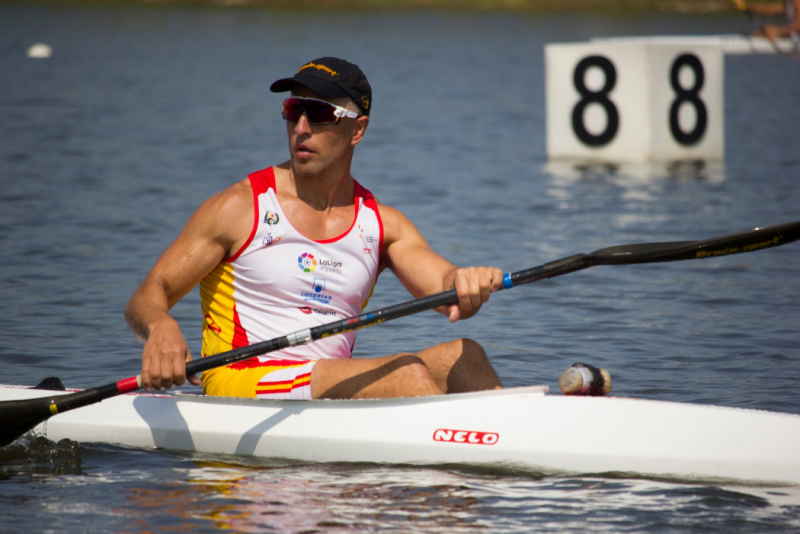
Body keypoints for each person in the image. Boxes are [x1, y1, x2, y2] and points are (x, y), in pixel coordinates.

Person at [125, 57, 504, 400]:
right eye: (293, 110)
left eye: (320, 113)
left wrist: (465, 281)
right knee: (409, 376)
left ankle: (505, 451)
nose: (301, 127)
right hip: (244, 382)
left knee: (465, 356)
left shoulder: (383, 225)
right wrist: (161, 326)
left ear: (357, 130)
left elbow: (443, 286)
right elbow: (148, 294)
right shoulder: (239, 209)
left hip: (326, 384)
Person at [733, 0, 800, 41]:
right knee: (759, 33)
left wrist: (778, 32)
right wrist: (745, 6)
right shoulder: (789, 4)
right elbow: (771, 10)